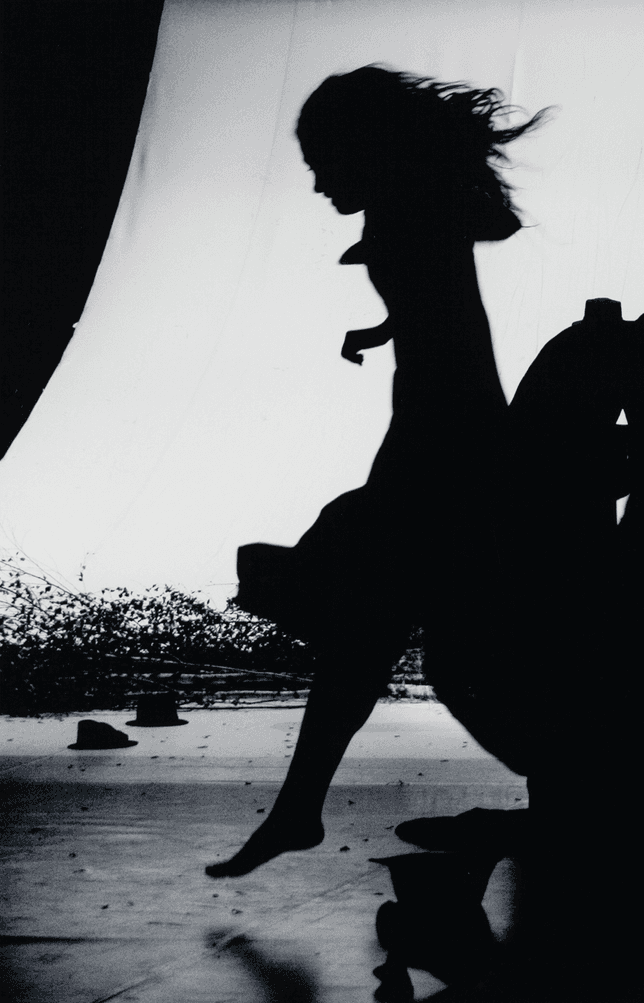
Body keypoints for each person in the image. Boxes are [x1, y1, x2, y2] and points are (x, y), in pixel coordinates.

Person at [207, 66, 546, 877]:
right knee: (387, 632)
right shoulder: (418, 208)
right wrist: (388, 325)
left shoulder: (407, 215)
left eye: (324, 161)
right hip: (449, 437)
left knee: (399, 635)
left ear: (368, 150)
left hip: (442, 444)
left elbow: (446, 315)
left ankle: (586, 783)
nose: (319, 181)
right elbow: (447, 302)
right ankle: (298, 809)